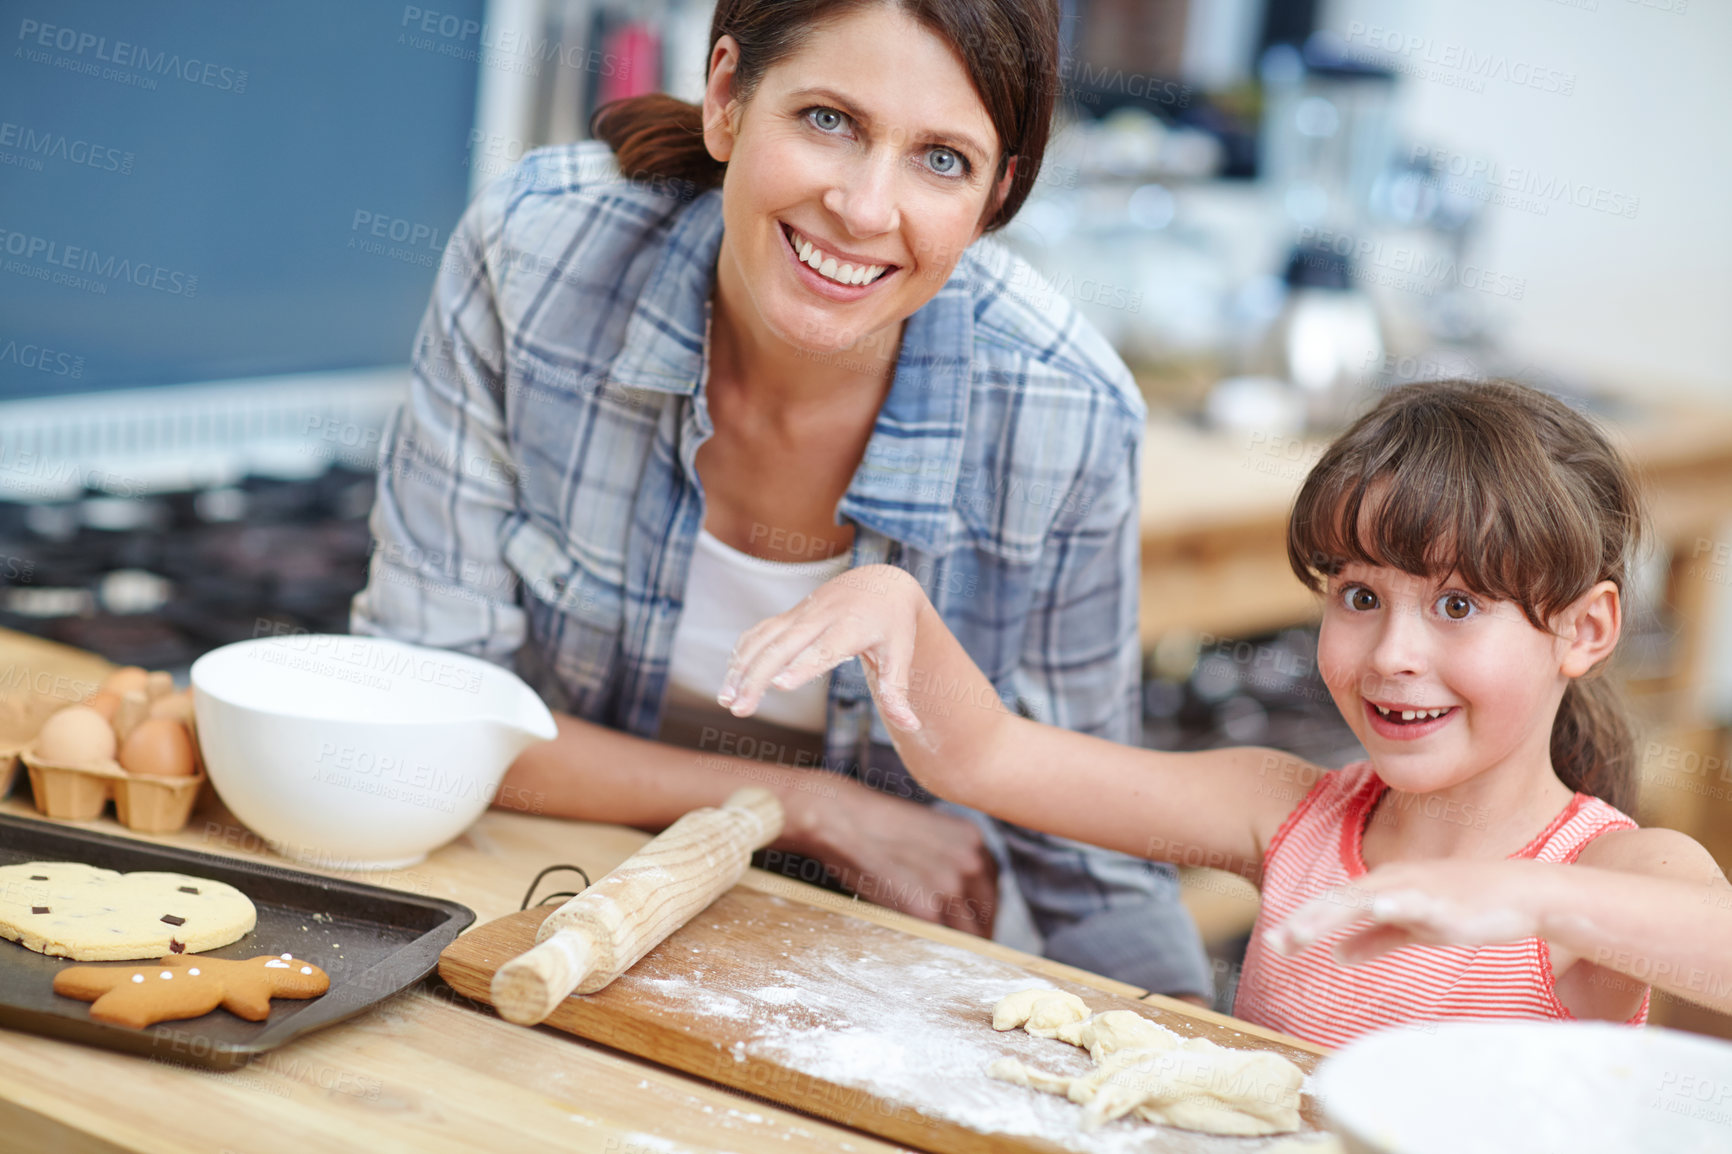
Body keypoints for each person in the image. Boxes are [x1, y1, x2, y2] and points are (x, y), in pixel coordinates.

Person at [352, 0, 1215, 1000]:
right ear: (726, 98)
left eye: (941, 159)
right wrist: (801, 802)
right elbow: (428, 707)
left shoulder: (1065, 409)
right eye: (829, 120)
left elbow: (1090, 862)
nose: (863, 207)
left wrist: (1192, 1047)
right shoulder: (538, 254)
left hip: (861, 989)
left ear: (995, 196)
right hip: (533, 917)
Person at [721, 379, 1732, 1046]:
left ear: (1585, 628)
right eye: (1360, 595)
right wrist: (900, 611)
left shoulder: (1606, 874)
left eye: (1458, 605)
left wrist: (1528, 899)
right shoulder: (1281, 810)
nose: (1392, 654)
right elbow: (986, 756)